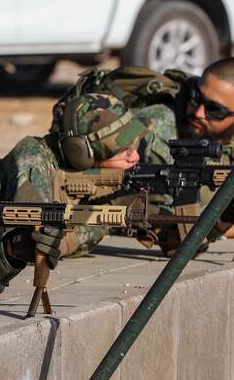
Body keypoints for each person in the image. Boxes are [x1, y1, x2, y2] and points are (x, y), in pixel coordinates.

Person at [0, 94, 151, 306]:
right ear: (82, 151)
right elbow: (32, 231)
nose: (135, 157)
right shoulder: (33, 156)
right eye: (126, 150)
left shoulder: (96, 183)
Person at [53, 59, 234, 253]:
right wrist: (225, 223)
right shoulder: (158, 133)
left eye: (215, 110)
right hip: (99, 208)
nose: (199, 112)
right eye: (196, 97)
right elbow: (173, 233)